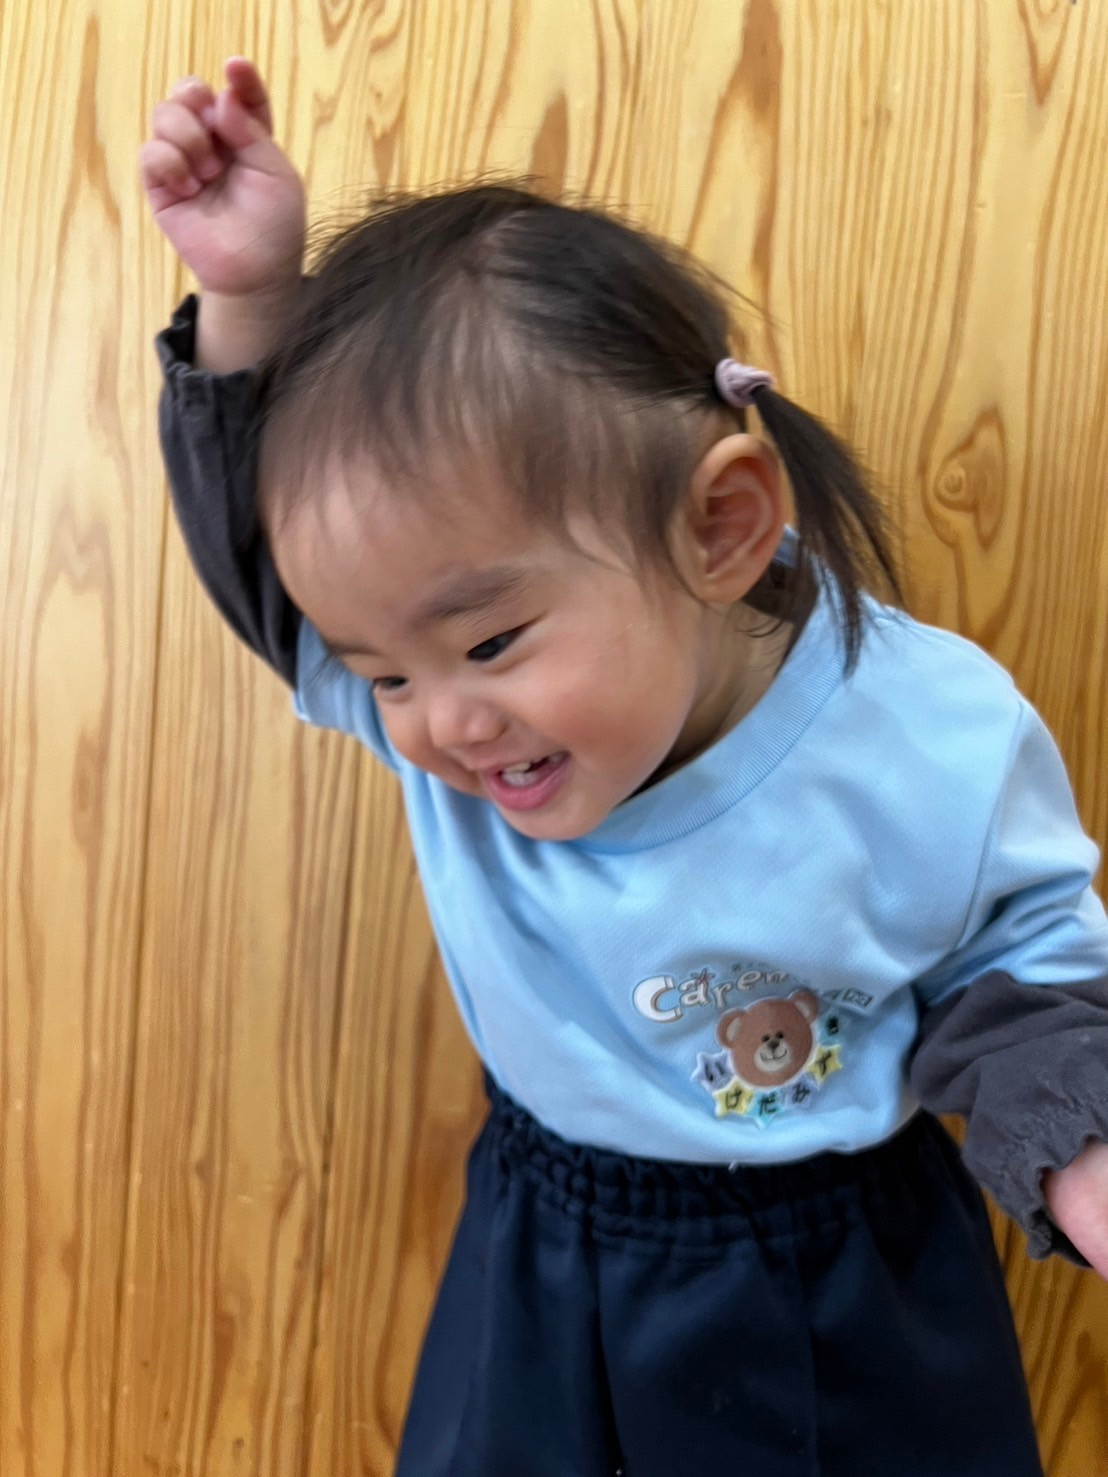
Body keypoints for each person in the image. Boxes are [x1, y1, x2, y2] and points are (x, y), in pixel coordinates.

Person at [141, 58, 1108, 1477]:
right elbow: (272, 580)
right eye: (387, 673)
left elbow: (1026, 980)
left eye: (491, 641)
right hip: (540, 1243)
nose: (441, 725)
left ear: (719, 527)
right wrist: (250, 307)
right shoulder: (450, 700)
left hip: (837, 1269)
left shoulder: (927, 734)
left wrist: (1081, 1148)